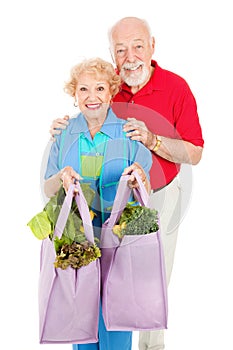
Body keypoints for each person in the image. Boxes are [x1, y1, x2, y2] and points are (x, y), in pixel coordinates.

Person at [49, 17, 204, 350]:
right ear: (112, 54)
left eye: (137, 46)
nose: (130, 55)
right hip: (100, 204)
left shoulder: (176, 88)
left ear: (152, 46)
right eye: (121, 49)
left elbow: (194, 153)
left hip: (157, 195)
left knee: (147, 280)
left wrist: (152, 141)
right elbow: (88, 99)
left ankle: (151, 346)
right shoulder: (109, 81)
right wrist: (63, 127)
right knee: (102, 283)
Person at [44, 57, 152, 350]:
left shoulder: (128, 132)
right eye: (83, 90)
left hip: (119, 240)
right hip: (78, 237)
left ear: (111, 92)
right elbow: (48, 186)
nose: (92, 97)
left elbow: (146, 184)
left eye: (100, 88)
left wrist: (137, 177)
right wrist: (62, 176)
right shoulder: (64, 134)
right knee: (83, 316)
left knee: (116, 313)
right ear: (74, 93)